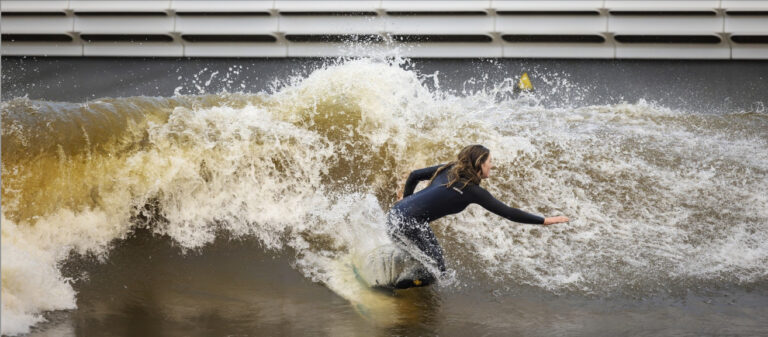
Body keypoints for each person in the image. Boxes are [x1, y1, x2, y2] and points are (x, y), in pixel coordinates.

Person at [387, 144, 569, 280]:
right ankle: (394, 287)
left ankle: (392, 275)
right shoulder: (472, 190)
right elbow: (508, 212)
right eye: (489, 161)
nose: (492, 165)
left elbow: (414, 175)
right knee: (438, 271)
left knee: (429, 258)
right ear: (479, 163)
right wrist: (544, 220)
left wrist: (406, 198)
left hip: (395, 215)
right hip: (410, 223)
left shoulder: (449, 168)